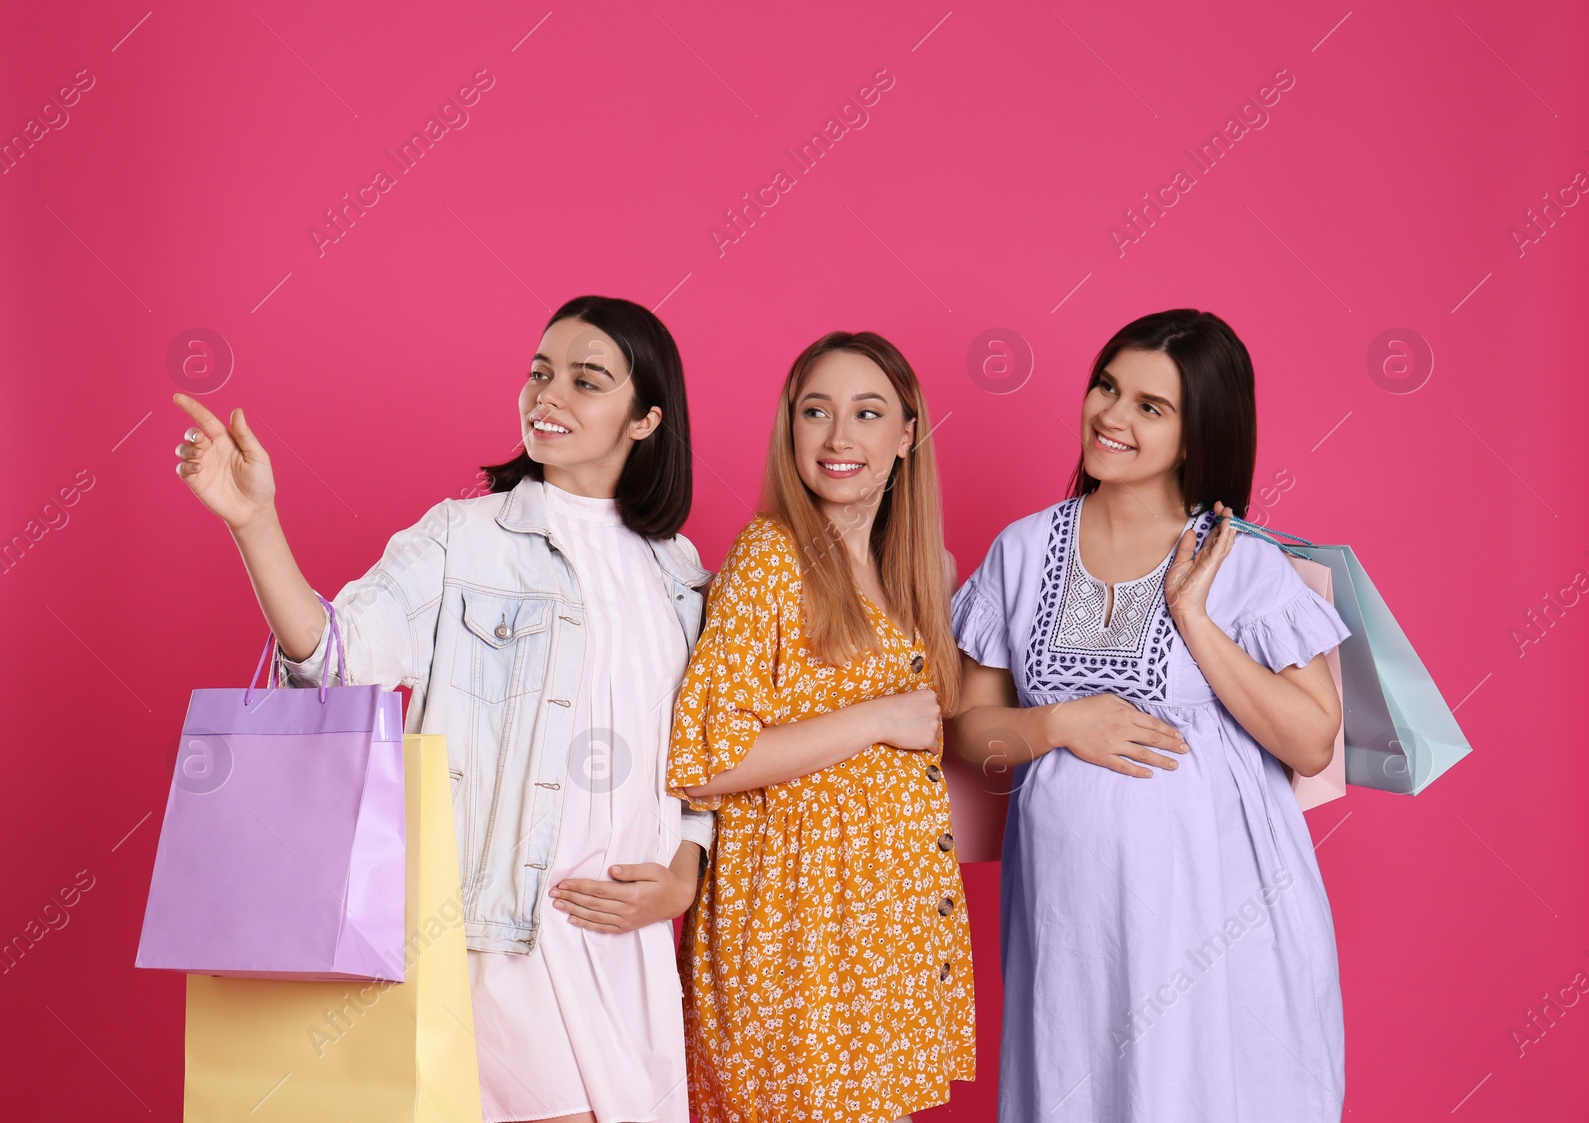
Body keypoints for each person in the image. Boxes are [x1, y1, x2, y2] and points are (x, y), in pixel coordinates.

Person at [172, 294, 714, 1123]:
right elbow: (334, 660)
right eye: (539, 372)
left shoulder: (678, 571)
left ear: (645, 419)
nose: (548, 395)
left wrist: (684, 871)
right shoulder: (462, 536)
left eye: (585, 380)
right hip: (493, 941)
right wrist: (256, 522)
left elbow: (706, 751)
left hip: (630, 951)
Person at [947, 309, 1349, 1122]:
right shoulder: (1021, 551)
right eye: (1107, 387)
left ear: (1200, 432)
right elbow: (969, 728)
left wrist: (1195, 617)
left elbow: (1312, 740)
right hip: (1073, 919)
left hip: (1216, 921)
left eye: (1149, 406)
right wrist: (1056, 725)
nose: (1111, 416)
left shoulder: (1246, 563)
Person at [667, 332, 977, 1123]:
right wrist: (879, 717)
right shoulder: (771, 557)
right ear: (791, 429)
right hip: (793, 927)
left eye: (867, 413)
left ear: (906, 434)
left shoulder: (915, 569)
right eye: (817, 412)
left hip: (885, 928)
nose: (840, 437)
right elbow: (708, 758)